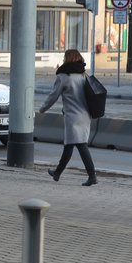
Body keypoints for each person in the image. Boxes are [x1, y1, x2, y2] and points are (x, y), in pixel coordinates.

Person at [38, 48, 97, 186]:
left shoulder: (64, 76)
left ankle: (92, 175)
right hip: (85, 115)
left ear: (67, 59)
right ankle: (57, 173)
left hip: (73, 116)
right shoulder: (84, 75)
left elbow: (53, 95)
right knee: (69, 145)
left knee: (80, 145)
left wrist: (43, 109)